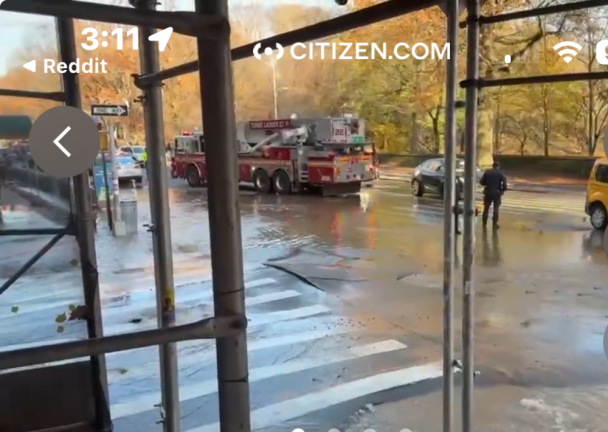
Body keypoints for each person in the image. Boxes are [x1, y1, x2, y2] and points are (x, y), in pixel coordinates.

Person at [479, 161, 507, 229]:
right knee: (496, 208)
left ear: (493, 166)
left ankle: (484, 222)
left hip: (488, 191)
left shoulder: (487, 172)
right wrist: (502, 190)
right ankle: (494, 223)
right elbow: (504, 184)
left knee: (486, 207)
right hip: (496, 193)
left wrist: (487, 184)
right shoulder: (500, 173)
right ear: (498, 166)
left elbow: (481, 182)